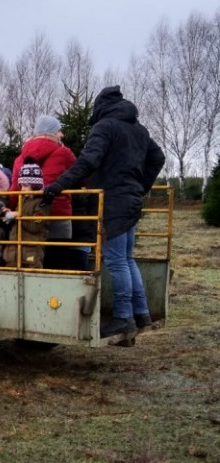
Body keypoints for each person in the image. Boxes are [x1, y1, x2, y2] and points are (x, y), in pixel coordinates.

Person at [42, 85, 165, 339]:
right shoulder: (139, 130)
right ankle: (141, 313)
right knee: (127, 258)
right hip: (130, 201)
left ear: (101, 106)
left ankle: (123, 318)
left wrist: (57, 187)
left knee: (117, 260)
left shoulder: (105, 127)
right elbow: (158, 157)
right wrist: (140, 186)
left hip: (112, 202)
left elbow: (88, 162)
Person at [11, 115, 77, 249]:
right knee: (59, 263)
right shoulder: (64, 153)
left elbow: (13, 192)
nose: (61, 134)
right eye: (59, 130)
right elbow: (79, 178)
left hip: (27, 218)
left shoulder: (19, 159)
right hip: (58, 216)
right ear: (51, 133)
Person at [2, 162, 51, 269]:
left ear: (35, 185)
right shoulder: (22, 199)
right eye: (21, 186)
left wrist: (18, 215)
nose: (22, 189)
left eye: (25, 186)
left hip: (31, 254)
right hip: (14, 253)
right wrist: (9, 214)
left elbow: (35, 226)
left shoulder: (42, 203)